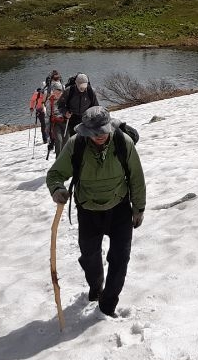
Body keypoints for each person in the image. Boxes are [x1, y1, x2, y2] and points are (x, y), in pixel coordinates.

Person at [46, 106, 146, 317]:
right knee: (89, 256)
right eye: (94, 132)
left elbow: (136, 177)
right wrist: (57, 189)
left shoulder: (122, 142)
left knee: (120, 258)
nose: (99, 136)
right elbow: (55, 173)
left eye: (103, 130)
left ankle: (107, 305)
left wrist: (138, 208)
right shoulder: (76, 144)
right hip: (88, 210)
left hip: (119, 209)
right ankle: (96, 285)